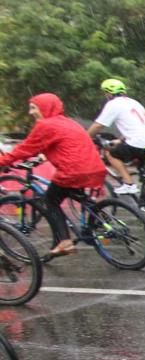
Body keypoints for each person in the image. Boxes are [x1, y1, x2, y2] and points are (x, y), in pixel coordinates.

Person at [0, 93, 107, 256]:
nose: (30, 112)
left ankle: (65, 242)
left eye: (33, 108)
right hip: (95, 168)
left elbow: (24, 149)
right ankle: (100, 221)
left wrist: (2, 161)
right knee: (74, 193)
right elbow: (61, 144)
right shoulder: (69, 122)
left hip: (72, 171)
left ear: (45, 107)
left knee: (51, 200)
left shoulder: (46, 125)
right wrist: (43, 155)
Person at [85, 78, 145, 196]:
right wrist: (120, 140)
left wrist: (85, 138)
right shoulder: (134, 102)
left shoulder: (113, 104)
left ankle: (129, 184)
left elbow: (98, 126)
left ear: (109, 93)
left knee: (110, 153)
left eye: (105, 93)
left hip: (139, 142)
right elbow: (136, 126)